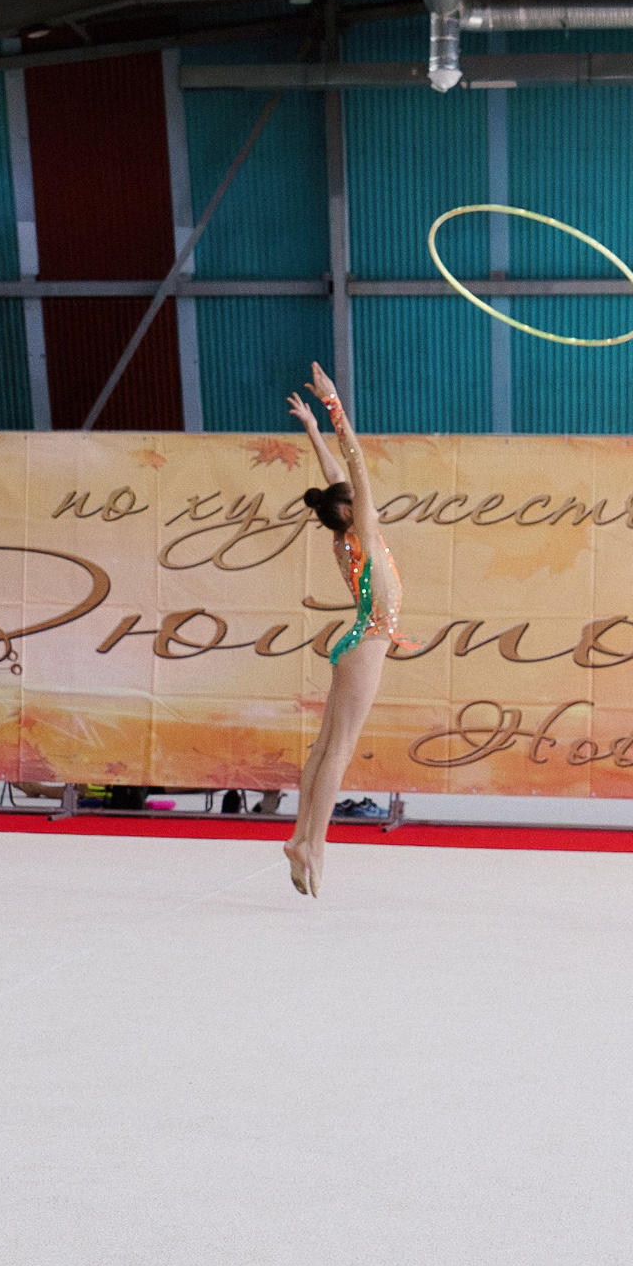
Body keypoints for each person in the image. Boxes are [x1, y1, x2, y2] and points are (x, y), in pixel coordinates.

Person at [281, 363, 411, 897]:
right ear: (354, 511)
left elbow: (339, 477)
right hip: (368, 642)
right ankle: (315, 843)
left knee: (324, 746)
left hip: (358, 641)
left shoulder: (346, 536)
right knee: (339, 749)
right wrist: (333, 407)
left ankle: (299, 838)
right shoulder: (366, 531)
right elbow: (353, 462)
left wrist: (312, 429)